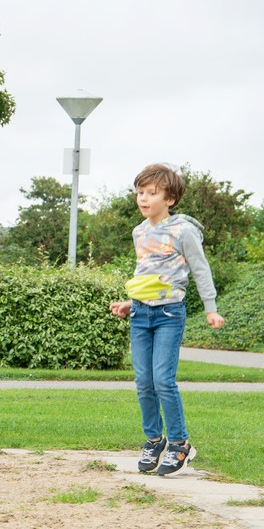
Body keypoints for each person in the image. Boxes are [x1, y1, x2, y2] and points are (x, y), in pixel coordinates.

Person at [109, 163, 225, 476]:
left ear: (169, 199)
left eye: (151, 193)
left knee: (163, 379)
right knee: (144, 382)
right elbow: (147, 273)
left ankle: (179, 443)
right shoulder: (139, 232)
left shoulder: (183, 231)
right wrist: (130, 302)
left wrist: (211, 308)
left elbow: (200, 269)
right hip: (140, 313)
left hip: (169, 314)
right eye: (140, 192)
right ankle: (153, 440)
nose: (143, 198)